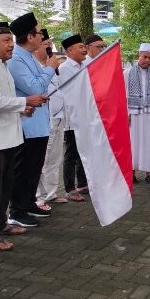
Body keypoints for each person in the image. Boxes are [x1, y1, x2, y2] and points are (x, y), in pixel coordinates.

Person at [0, 22, 48, 251]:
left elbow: (6, 99)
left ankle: (1, 224)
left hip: (10, 137)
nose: (11, 45)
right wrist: (25, 101)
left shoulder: (2, 66)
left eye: (11, 41)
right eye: (5, 41)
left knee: (4, 187)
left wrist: (23, 108)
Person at [7, 12, 59, 227]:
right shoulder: (16, 59)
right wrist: (50, 67)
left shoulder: (29, 57)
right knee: (23, 169)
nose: (42, 37)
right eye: (38, 33)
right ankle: (17, 211)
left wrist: (45, 69)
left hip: (39, 123)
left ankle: (28, 203)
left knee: (34, 168)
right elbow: (35, 87)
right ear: (29, 37)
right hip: (26, 125)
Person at [124, 43, 150, 185]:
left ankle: (148, 173)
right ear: (139, 56)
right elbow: (122, 95)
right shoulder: (127, 73)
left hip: (149, 114)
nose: (147, 60)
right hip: (133, 115)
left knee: (149, 143)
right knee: (132, 144)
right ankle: (132, 173)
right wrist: (126, 113)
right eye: (144, 57)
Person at [36, 29, 69, 206]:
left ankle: (51, 192)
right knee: (43, 158)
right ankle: (38, 197)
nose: (49, 48)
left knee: (55, 158)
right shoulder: (37, 68)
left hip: (59, 117)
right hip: (44, 119)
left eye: (50, 44)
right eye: (45, 44)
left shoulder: (54, 68)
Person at [58, 34, 89, 201]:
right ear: (69, 50)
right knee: (71, 153)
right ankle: (70, 188)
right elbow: (65, 96)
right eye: (80, 47)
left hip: (84, 115)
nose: (84, 50)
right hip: (71, 117)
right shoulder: (64, 69)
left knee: (82, 150)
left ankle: (82, 183)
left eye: (84, 46)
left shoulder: (83, 66)